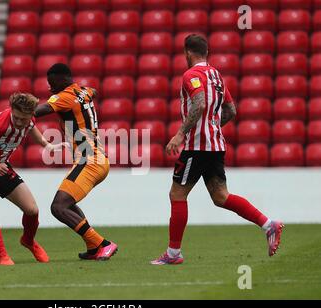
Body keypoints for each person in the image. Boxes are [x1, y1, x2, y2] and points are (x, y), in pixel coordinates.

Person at [151, 34, 284, 265]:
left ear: (188, 53)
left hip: (197, 147)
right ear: (207, 53)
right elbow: (231, 110)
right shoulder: (217, 75)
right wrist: (213, 127)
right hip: (216, 146)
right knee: (221, 197)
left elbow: (200, 103)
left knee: (177, 194)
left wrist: (181, 134)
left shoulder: (190, 75)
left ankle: (173, 254)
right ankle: (268, 224)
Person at [0, 92, 64, 265]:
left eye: (23, 119)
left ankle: (28, 241)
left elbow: (31, 128)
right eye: (16, 117)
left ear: (31, 115)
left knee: (32, 210)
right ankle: (3, 255)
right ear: (11, 110)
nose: (18, 122)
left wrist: (47, 145)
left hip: (1, 165)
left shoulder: (29, 121)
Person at [33, 63, 118, 261]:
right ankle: (92, 246)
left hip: (89, 161)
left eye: (52, 83)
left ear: (62, 80)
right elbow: (94, 91)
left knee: (58, 207)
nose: (49, 87)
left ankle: (102, 243)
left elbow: (38, 111)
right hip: (95, 157)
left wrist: (11, 114)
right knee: (67, 204)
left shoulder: (63, 97)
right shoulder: (84, 90)